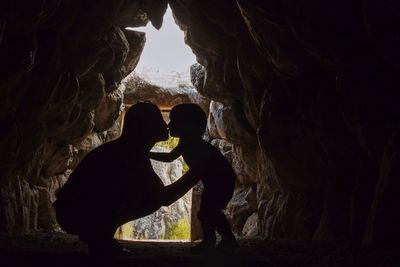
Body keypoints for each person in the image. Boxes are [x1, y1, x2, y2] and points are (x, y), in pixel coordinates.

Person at [53, 102, 198, 256]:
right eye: (157, 120)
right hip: (74, 213)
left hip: (69, 211)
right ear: (144, 126)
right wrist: (196, 172)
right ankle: (99, 237)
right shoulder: (130, 154)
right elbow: (163, 197)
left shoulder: (126, 150)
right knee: (143, 196)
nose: (165, 124)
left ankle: (99, 236)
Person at [149, 103, 238, 253]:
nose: (170, 125)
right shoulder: (186, 142)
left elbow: (193, 171)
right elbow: (170, 157)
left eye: (175, 121)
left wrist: (169, 194)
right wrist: (148, 154)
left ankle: (223, 240)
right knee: (207, 212)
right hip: (216, 181)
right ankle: (215, 241)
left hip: (221, 181)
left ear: (189, 126)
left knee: (209, 212)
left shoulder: (195, 146)